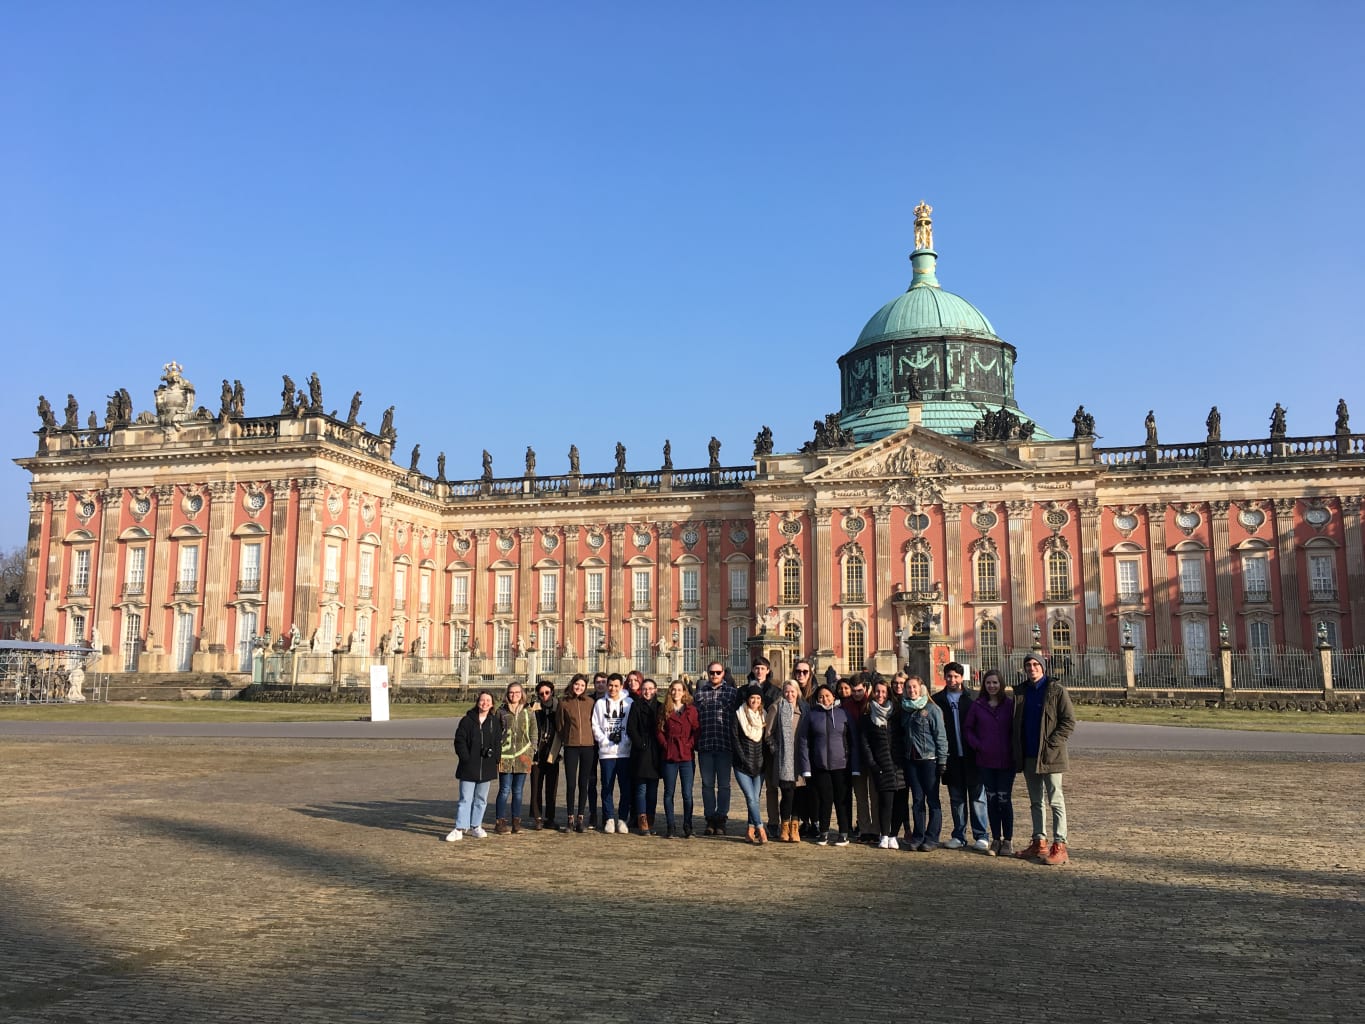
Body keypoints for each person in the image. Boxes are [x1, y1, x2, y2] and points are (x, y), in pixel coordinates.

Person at [1013, 653, 1076, 865]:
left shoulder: (1056, 691)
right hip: (1029, 754)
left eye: (1035, 664)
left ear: (1043, 667)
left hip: (1051, 755)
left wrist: (1052, 743)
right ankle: (1039, 841)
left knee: (1055, 800)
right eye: (1028, 665)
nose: (1032, 668)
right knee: (1035, 801)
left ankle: (1060, 844)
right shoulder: (1021, 692)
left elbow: (1068, 721)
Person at [933, 661, 990, 852]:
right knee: (956, 799)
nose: (952, 680)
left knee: (977, 798)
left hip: (973, 755)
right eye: (949, 676)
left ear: (962, 678)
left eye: (956, 676)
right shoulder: (937, 700)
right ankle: (959, 835)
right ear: (945, 677)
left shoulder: (973, 698)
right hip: (951, 757)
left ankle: (981, 835)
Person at [797, 684, 859, 846]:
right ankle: (823, 832)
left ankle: (843, 832)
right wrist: (806, 767)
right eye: (821, 697)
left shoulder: (843, 713)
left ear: (833, 697)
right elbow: (804, 741)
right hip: (820, 765)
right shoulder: (811, 715)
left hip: (842, 765)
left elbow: (853, 741)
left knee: (842, 800)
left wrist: (855, 767)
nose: (825, 699)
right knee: (825, 800)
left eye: (827, 696)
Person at [963, 668, 1014, 856]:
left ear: (1001, 684)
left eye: (995, 682)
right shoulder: (978, 705)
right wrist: (978, 745)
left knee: (1004, 800)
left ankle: (1007, 840)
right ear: (984, 685)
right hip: (985, 760)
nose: (991, 686)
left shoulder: (1009, 705)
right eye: (988, 683)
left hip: (1006, 760)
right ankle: (995, 839)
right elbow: (968, 729)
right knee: (991, 800)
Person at [446, 690, 504, 841]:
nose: (485, 703)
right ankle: (460, 828)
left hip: (487, 765)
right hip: (469, 765)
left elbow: (498, 742)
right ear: (478, 702)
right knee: (465, 798)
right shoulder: (467, 720)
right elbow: (459, 741)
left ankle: (476, 825)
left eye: (488, 700)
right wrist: (465, 758)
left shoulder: (494, 722)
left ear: (492, 704)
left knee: (481, 798)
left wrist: (496, 759)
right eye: (482, 700)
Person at [899, 674, 947, 852]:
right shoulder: (905, 709)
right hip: (911, 760)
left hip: (929, 760)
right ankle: (918, 836)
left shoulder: (932, 709)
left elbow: (940, 736)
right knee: (917, 800)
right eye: (909, 687)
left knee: (933, 800)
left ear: (921, 689)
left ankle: (932, 838)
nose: (911, 690)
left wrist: (942, 761)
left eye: (914, 687)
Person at [859, 680, 907, 849]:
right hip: (881, 765)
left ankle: (894, 834)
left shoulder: (896, 714)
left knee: (900, 802)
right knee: (885, 802)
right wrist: (873, 764)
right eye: (877, 692)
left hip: (899, 764)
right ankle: (884, 834)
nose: (880, 695)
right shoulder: (867, 717)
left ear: (888, 693)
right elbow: (865, 744)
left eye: (883, 692)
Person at [694, 660, 738, 836]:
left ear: (723, 674)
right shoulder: (699, 694)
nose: (714, 675)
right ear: (707, 673)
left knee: (724, 785)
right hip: (705, 745)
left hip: (724, 744)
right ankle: (710, 818)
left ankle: (721, 818)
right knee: (707, 785)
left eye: (718, 672)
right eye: (712, 673)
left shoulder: (732, 693)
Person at [764, 679, 805, 842]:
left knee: (798, 794)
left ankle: (795, 826)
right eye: (787, 691)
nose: (789, 694)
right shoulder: (776, 707)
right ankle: (785, 826)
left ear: (797, 693)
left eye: (792, 691)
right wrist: (776, 749)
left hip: (799, 759)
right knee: (787, 793)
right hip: (783, 759)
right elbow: (768, 733)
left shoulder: (802, 709)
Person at [592, 674, 633, 834]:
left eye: (616, 686)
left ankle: (622, 818)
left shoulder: (629, 703)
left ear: (621, 686)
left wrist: (625, 741)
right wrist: (603, 741)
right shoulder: (600, 704)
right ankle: (609, 818)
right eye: (610, 685)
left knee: (625, 787)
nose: (613, 689)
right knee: (607, 786)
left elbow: (632, 724)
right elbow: (595, 725)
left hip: (624, 752)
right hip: (606, 752)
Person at [492, 682, 535, 834]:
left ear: (522, 694)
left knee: (518, 791)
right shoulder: (501, 711)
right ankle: (500, 822)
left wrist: (532, 750)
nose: (514, 695)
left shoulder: (528, 711)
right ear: (507, 694)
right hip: (506, 755)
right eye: (511, 692)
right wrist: (497, 754)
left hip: (523, 756)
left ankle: (517, 822)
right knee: (504, 790)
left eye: (517, 692)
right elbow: (496, 734)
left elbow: (533, 732)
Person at [658, 680, 699, 838]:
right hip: (670, 755)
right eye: (673, 690)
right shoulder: (665, 709)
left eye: (679, 690)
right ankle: (671, 825)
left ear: (684, 692)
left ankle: (688, 824)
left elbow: (697, 730)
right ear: (670, 692)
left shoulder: (691, 710)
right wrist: (666, 745)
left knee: (687, 794)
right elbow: (659, 730)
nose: (676, 693)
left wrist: (690, 743)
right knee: (669, 792)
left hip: (686, 755)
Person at [556, 674, 596, 833]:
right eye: (577, 684)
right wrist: (568, 737)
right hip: (571, 746)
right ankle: (570, 818)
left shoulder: (590, 703)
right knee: (571, 784)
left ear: (585, 687)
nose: (579, 687)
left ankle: (580, 817)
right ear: (572, 685)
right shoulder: (564, 703)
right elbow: (560, 725)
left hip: (588, 746)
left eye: (582, 685)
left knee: (583, 783)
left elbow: (594, 722)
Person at [732, 684, 769, 845]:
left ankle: (749, 830)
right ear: (747, 699)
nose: (755, 700)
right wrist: (743, 759)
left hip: (759, 764)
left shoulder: (764, 716)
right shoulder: (738, 715)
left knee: (755, 798)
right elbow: (734, 739)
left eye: (758, 698)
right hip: (742, 765)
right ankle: (761, 829)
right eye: (752, 698)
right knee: (751, 797)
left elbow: (766, 741)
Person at [627, 677, 663, 835]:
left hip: (656, 750)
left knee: (653, 790)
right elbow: (631, 728)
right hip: (641, 752)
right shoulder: (636, 706)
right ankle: (642, 819)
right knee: (641, 788)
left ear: (655, 690)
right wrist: (640, 744)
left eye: (650, 689)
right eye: (645, 689)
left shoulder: (661, 707)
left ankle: (650, 818)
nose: (647, 691)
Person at [750, 657, 782, 833]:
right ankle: (753, 822)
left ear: (768, 671)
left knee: (771, 787)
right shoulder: (745, 691)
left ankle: (773, 822)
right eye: (757, 668)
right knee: (753, 791)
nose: (759, 671)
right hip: (751, 747)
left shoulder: (776, 692)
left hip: (768, 745)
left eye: (762, 668)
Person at [843, 677, 875, 842]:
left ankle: (876, 829)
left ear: (866, 688)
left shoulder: (872, 703)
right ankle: (864, 828)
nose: (856, 694)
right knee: (861, 796)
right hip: (855, 757)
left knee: (875, 795)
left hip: (873, 756)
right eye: (853, 691)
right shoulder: (846, 706)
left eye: (859, 691)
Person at [529, 680, 561, 830]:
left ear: (552, 692)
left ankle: (550, 817)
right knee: (536, 785)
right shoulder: (534, 708)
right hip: (537, 751)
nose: (544, 696)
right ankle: (537, 817)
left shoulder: (558, 707)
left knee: (551, 786)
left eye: (547, 692)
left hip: (553, 750)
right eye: (541, 694)